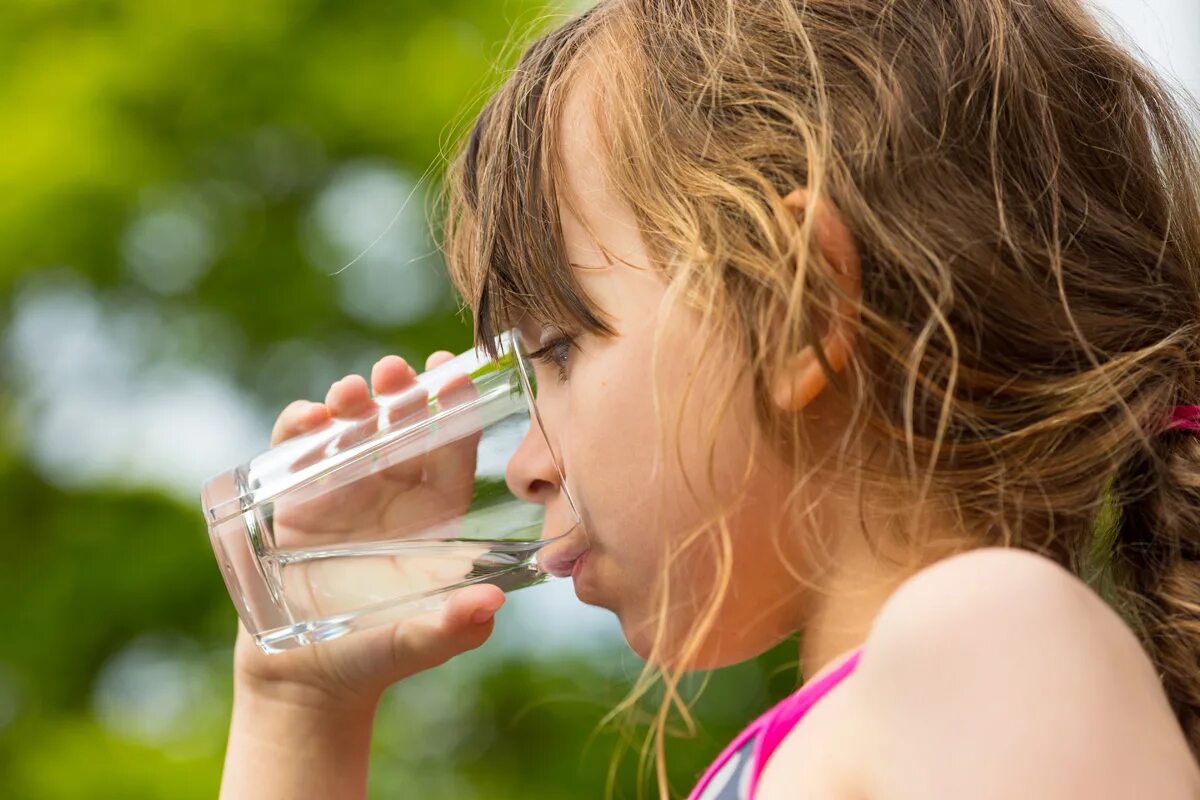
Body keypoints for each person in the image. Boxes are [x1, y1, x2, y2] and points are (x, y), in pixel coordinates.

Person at [219, 0, 1200, 797]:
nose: (522, 464)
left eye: (556, 349)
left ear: (794, 308)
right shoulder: (870, 716)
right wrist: (299, 708)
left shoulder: (981, 637)